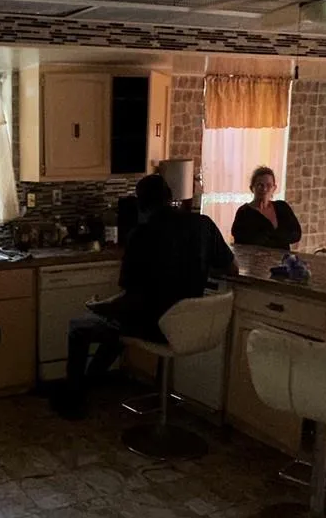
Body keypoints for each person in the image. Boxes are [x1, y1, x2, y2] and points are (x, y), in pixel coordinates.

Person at [55, 173, 234, 418]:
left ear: (140, 204)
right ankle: (89, 386)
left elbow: (131, 298)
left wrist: (101, 307)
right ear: (170, 197)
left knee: (81, 328)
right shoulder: (203, 225)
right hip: (189, 324)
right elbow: (231, 268)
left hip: (153, 326)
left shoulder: (141, 235)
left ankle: (73, 400)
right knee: (114, 327)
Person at [231, 166, 302, 249]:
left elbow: (296, 234)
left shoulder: (282, 207)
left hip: (283, 257)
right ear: (252, 188)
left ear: (274, 188)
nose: (264, 189)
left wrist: (267, 237)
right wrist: (279, 237)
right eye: (260, 185)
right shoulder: (244, 212)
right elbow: (242, 242)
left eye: (269, 185)